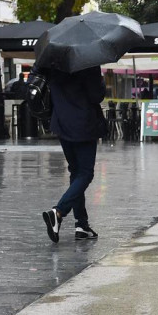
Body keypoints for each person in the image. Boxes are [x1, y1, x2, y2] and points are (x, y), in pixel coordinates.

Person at [40, 66, 108, 244]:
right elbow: (96, 95)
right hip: (83, 123)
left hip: (61, 123)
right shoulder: (88, 63)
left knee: (76, 172)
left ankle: (82, 225)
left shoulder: (54, 60)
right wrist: (101, 82)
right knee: (86, 173)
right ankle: (58, 212)